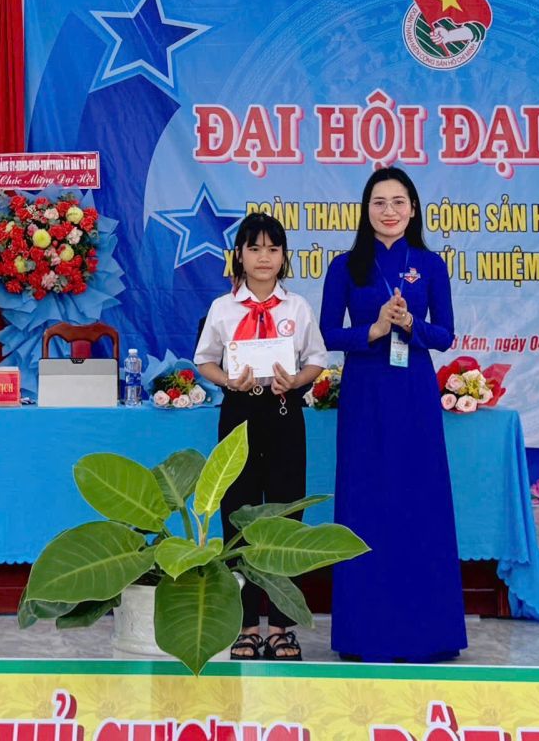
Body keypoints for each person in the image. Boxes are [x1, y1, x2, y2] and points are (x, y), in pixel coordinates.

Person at [319, 166, 464, 663]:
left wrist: (410, 324)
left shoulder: (430, 264)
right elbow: (328, 334)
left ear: (413, 209)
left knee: (419, 499)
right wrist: (375, 330)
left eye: (399, 202)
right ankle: (363, 634)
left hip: (413, 391)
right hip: (365, 391)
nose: (389, 211)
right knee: (365, 498)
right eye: (379, 202)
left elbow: (445, 335)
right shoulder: (345, 266)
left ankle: (429, 632)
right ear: (366, 210)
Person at [192, 212, 328, 661]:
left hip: (285, 413)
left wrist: (297, 380)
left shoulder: (297, 307)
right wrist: (228, 380)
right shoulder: (222, 308)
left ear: (284, 256)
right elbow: (205, 360)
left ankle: (283, 627)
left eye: (273, 248)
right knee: (239, 514)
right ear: (239, 255)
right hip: (239, 414)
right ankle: (247, 625)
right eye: (254, 248)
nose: (264, 257)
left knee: (286, 515)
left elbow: (316, 359)